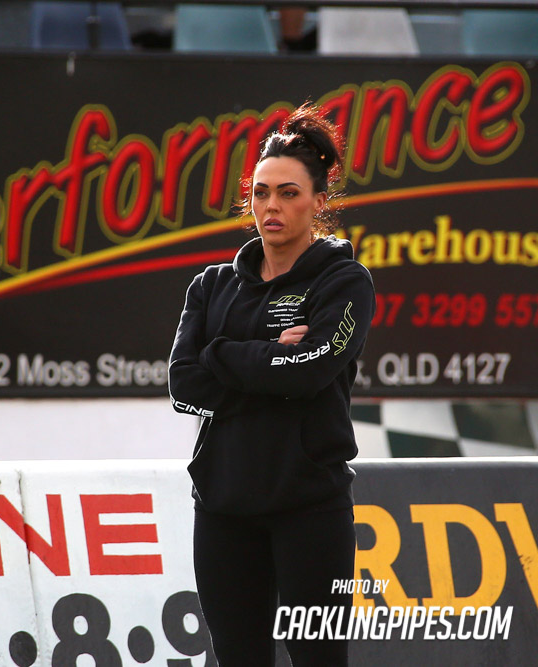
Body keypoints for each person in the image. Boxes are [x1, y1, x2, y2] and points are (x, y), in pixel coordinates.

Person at [167, 103, 374, 666]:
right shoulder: (211, 286)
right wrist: (265, 357)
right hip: (222, 509)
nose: (271, 206)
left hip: (311, 510)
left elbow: (309, 372)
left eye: (288, 193)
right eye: (261, 193)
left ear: (318, 201)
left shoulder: (345, 282)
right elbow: (183, 385)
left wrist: (221, 355)